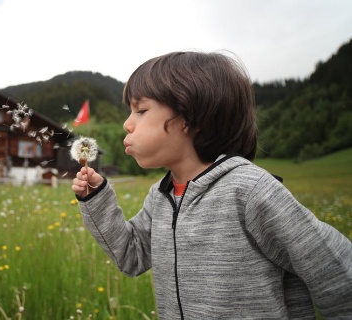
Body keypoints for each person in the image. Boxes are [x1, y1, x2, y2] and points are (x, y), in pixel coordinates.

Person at [71, 51, 352, 319]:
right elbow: (131, 255)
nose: (127, 124)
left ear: (190, 119)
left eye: (141, 110)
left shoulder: (249, 190)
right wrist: (96, 198)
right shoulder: (160, 195)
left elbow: (337, 270)